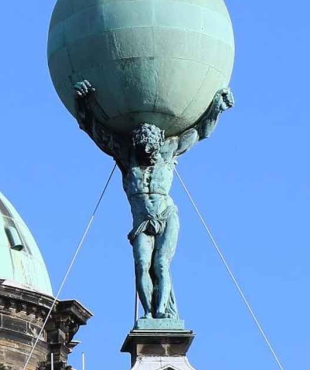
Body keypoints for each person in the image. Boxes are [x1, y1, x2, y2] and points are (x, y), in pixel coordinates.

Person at [72, 81, 233, 321]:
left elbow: (200, 132)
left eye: (150, 148)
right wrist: (82, 102)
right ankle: (148, 314)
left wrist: (216, 109)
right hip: (142, 221)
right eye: (142, 147)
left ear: (158, 144)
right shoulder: (126, 158)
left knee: (160, 264)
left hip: (167, 215)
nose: (147, 152)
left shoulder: (168, 153)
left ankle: (162, 314)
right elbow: (94, 130)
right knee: (141, 265)